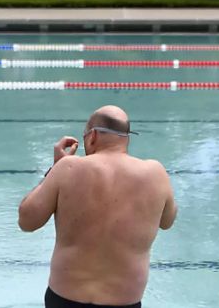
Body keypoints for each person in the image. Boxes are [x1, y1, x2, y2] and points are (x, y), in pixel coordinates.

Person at [18, 105, 178, 308]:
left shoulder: (68, 168)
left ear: (92, 136)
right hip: (124, 303)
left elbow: (26, 221)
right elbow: (167, 221)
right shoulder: (156, 174)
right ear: (126, 138)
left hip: (64, 301)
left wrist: (54, 168)